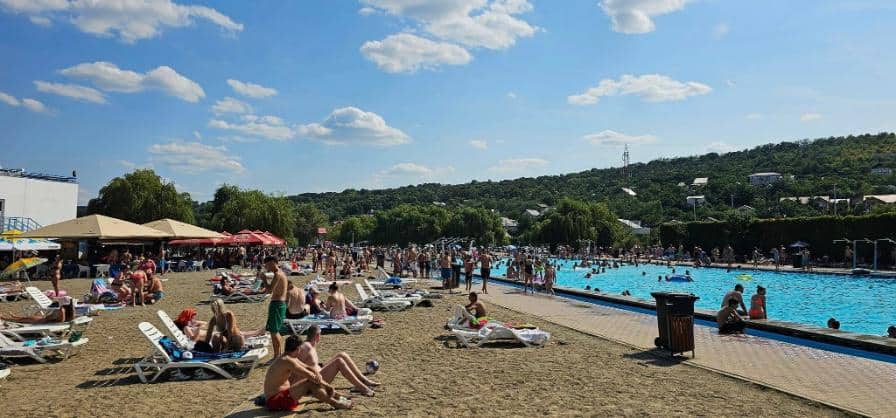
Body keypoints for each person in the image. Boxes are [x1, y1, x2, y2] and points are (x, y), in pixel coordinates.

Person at [263, 335, 353, 412]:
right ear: (297, 348)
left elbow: (306, 367)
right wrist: (328, 386)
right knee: (309, 383)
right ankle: (337, 403)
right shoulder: (287, 361)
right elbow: (309, 375)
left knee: (312, 382)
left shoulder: (289, 357)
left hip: (282, 396)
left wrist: (316, 372)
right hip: (275, 401)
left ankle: (337, 396)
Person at [297, 325, 379, 396]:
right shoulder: (306, 347)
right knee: (339, 361)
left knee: (342, 354)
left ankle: (364, 380)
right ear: (317, 336)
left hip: (318, 375)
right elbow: (296, 366)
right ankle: (362, 388)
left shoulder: (310, 345)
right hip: (313, 382)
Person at [265, 256, 288, 358]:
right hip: (278, 304)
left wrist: (264, 279)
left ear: (274, 263)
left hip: (277, 304)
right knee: (273, 331)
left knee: (274, 331)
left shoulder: (278, 274)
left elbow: (269, 290)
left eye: (269, 264)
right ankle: (277, 355)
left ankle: (278, 355)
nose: (267, 267)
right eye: (266, 265)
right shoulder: (280, 273)